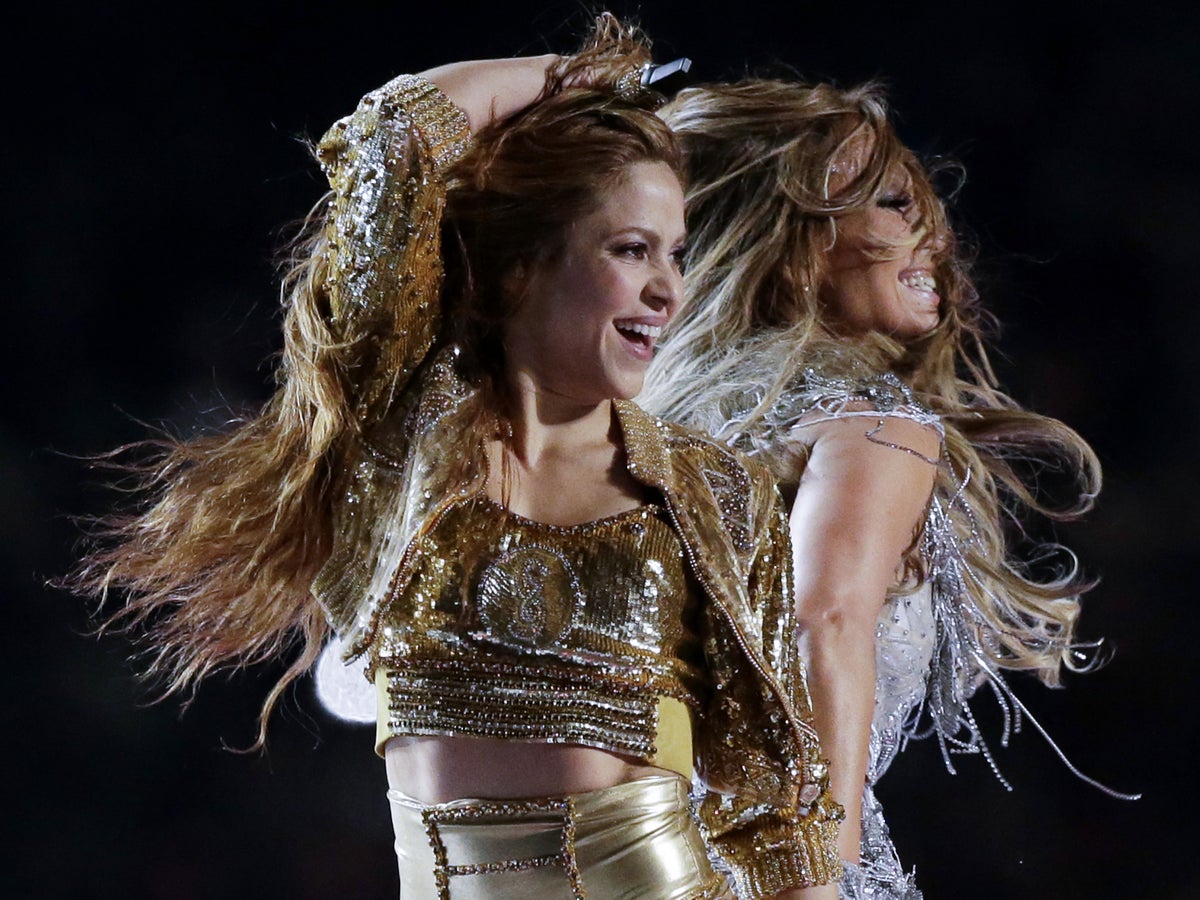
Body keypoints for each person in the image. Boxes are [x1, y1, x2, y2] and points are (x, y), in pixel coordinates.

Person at [68, 20, 844, 900]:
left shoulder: (711, 492)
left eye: (675, 254)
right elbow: (393, 133)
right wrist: (570, 75)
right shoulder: (397, 445)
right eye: (631, 250)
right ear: (519, 269)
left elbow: (781, 814)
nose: (669, 289)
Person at [640, 78, 1136, 899]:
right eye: (897, 205)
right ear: (791, 238)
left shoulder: (635, 433)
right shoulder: (872, 426)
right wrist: (818, 877)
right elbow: (822, 621)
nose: (937, 239)